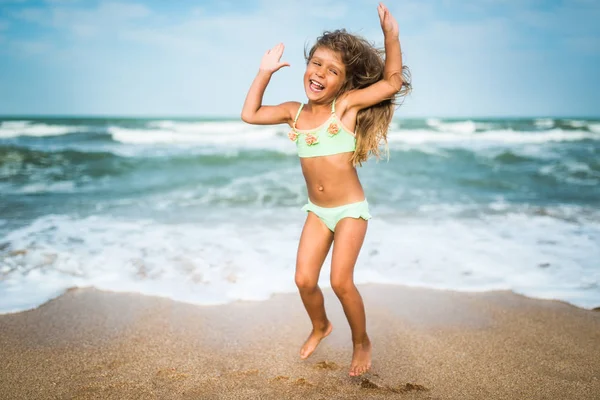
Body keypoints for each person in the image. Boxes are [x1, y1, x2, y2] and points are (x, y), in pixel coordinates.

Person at [241, 2, 411, 377]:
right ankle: (321, 326)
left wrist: (391, 37)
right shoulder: (294, 112)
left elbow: (393, 82)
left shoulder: (346, 107)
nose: (320, 73)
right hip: (317, 212)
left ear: (344, 82)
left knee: (340, 281)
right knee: (303, 280)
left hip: (350, 210)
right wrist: (263, 73)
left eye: (332, 70)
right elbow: (250, 114)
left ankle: (361, 340)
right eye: (316, 63)